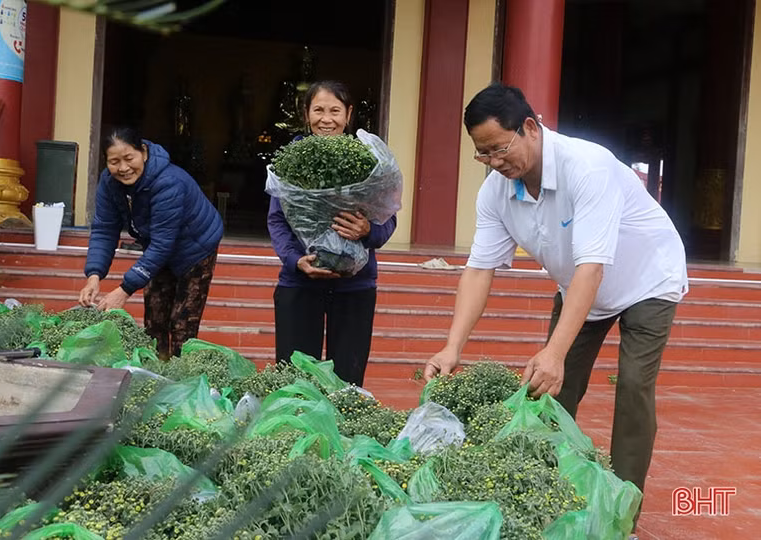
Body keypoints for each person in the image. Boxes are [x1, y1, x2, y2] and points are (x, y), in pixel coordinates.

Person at [424, 83, 688, 527]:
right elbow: (479, 270)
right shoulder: (495, 193)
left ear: (530, 127)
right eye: (483, 154)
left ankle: (621, 514)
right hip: (581, 285)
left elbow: (592, 267)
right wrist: (452, 347)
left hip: (647, 277)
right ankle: (545, 495)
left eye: (500, 148)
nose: (494, 162)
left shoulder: (587, 166)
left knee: (633, 387)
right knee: (549, 391)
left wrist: (555, 352)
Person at [267, 80, 398, 387]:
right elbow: (277, 220)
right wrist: (295, 260)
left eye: (335, 111)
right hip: (300, 281)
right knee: (294, 378)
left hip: (355, 286)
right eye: (319, 110)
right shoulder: (289, 161)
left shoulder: (369, 161)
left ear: (349, 114)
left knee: (348, 380)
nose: (326, 119)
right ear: (306, 114)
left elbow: (388, 217)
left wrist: (368, 231)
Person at [79, 127, 224, 359]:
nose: (123, 168)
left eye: (129, 158)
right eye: (114, 161)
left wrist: (123, 290)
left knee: (182, 324)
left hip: (195, 247)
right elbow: (104, 229)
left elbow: (163, 244)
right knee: (154, 321)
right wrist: (93, 276)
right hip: (157, 246)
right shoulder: (108, 183)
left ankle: (180, 380)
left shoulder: (168, 182)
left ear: (143, 152)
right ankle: (154, 374)